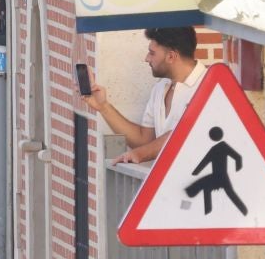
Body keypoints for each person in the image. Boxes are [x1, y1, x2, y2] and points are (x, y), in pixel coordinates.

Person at [84, 27, 203, 166]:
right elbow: (143, 139)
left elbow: (181, 134)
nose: (147, 58)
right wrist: (103, 107)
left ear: (171, 56)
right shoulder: (160, 87)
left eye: (152, 53)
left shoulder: (207, 88)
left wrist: (139, 154)